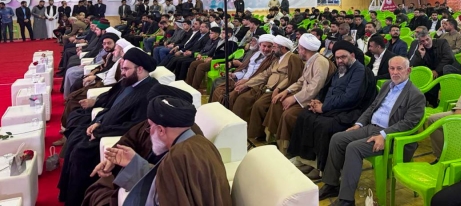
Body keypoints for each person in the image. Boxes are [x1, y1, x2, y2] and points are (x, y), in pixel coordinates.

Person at [57, 48, 160, 206]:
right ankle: (66, 191)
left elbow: (135, 126)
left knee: (80, 152)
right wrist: (97, 111)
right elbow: (111, 96)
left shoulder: (149, 92)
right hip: (103, 120)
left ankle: (76, 200)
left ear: (140, 69)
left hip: (111, 132)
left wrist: (100, 130)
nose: (122, 73)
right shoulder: (129, 81)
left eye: (125, 69)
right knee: (76, 130)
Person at [319, 56, 426, 204]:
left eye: (399, 69)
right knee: (337, 139)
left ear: (408, 71)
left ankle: (346, 200)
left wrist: (384, 135)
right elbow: (372, 107)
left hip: (392, 137)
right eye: (392, 68)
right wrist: (359, 124)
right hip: (371, 127)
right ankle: (332, 185)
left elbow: (409, 123)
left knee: (354, 148)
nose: (395, 72)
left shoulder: (416, 95)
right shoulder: (386, 85)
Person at [103, 95, 232, 205]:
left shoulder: (177, 157)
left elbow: (162, 198)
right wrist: (134, 163)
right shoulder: (204, 144)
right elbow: (171, 185)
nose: (149, 131)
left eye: (150, 126)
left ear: (160, 130)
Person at [288, 41, 375, 180]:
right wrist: (317, 101)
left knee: (324, 125)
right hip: (333, 107)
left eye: (343, 57)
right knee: (305, 116)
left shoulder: (360, 71)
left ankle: (320, 167)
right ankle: (306, 160)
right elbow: (327, 88)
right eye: (337, 58)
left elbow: (350, 97)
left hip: (351, 110)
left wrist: (324, 107)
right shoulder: (340, 69)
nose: (340, 61)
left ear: (352, 55)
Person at [261, 33, 332, 145]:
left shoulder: (320, 62)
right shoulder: (310, 60)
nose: (297, 51)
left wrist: (294, 98)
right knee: (277, 101)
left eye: (299, 48)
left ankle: (285, 146)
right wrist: (286, 91)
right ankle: (273, 139)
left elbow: (315, 88)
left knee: (288, 115)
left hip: (313, 99)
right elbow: (301, 80)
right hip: (303, 95)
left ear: (304, 49)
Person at [245, 36, 305, 138]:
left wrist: (278, 89)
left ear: (283, 48)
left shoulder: (292, 58)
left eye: (274, 47)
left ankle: (259, 135)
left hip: (281, 90)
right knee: (248, 99)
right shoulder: (277, 60)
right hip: (268, 88)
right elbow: (265, 74)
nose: (273, 49)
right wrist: (247, 83)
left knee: (259, 105)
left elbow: (292, 77)